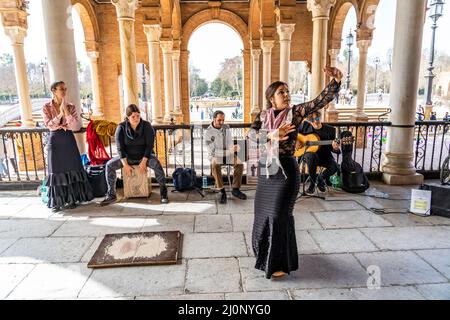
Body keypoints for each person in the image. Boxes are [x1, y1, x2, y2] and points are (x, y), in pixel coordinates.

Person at [250, 66, 342, 279]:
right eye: (281, 92)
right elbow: (251, 136)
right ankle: (264, 257)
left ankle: (280, 261)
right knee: (262, 215)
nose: (286, 94)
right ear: (271, 99)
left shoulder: (295, 113)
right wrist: (273, 134)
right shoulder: (262, 116)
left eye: (287, 91)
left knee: (278, 215)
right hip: (267, 170)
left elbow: (318, 102)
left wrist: (335, 82)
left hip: (286, 171)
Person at [101, 104, 168, 205]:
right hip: (127, 158)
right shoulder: (121, 127)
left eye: (138, 115)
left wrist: (143, 162)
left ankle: (163, 192)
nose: (136, 118)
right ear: (127, 117)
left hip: (144, 156)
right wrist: (125, 165)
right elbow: (120, 148)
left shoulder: (147, 126)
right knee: (109, 165)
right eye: (133, 116)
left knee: (157, 164)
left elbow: (149, 146)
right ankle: (111, 194)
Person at [42, 81, 94, 212]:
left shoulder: (71, 106)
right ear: (54, 90)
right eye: (61, 89)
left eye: (65, 89)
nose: (64, 91)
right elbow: (49, 125)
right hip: (55, 139)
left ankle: (72, 199)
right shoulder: (46, 107)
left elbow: (74, 124)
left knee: (72, 168)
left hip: (68, 139)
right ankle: (57, 202)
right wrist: (59, 114)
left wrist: (65, 111)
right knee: (56, 170)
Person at [205, 110, 246, 204]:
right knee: (215, 164)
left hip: (228, 153)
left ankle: (235, 189)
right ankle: (221, 190)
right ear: (214, 119)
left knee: (239, 163)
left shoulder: (226, 127)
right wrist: (229, 151)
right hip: (216, 155)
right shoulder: (208, 132)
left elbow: (230, 142)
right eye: (219, 120)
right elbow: (213, 151)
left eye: (223, 120)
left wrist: (234, 148)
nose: (221, 122)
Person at [299, 112, 341, 194]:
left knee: (335, 166)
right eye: (312, 120)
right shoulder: (304, 127)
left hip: (324, 156)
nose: (315, 121)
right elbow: (294, 135)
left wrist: (335, 148)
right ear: (309, 121)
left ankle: (319, 179)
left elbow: (332, 148)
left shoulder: (330, 130)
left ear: (320, 118)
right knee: (312, 156)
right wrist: (297, 142)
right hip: (309, 156)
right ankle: (312, 184)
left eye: (317, 119)